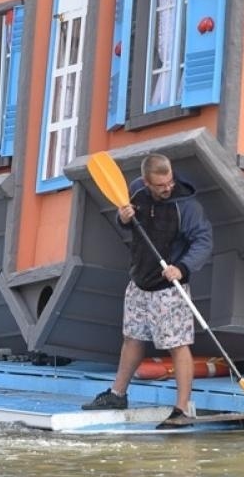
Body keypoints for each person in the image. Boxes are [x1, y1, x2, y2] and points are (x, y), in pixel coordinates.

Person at [80, 154, 214, 429]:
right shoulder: (136, 193)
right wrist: (124, 218)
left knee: (178, 344)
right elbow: (129, 225)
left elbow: (203, 241)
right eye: (160, 185)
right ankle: (118, 394)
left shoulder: (186, 206)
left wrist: (183, 267)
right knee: (132, 338)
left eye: (169, 182)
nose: (167, 188)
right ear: (146, 182)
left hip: (169, 287)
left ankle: (182, 409)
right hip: (139, 281)